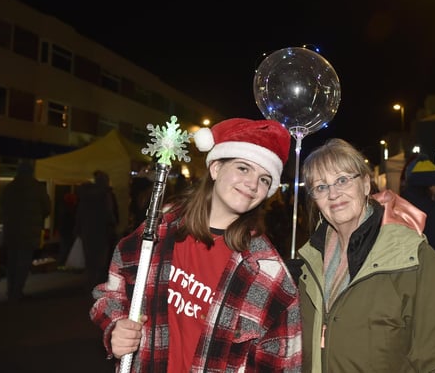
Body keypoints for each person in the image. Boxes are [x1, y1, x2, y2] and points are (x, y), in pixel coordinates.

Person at [90, 118, 302, 372]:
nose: (253, 184)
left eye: (265, 179)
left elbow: (283, 365)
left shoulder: (270, 276)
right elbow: (110, 293)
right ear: (215, 168)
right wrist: (117, 326)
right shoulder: (163, 225)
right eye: (243, 168)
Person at [294, 138, 435, 372]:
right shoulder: (309, 264)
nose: (333, 193)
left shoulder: (412, 257)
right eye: (321, 187)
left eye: (342, 180)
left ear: (364, 184)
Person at [401, 155, 435, 288]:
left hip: (405, 268)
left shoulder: (401, 203)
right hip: (428, 268)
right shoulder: (430, 208)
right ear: (429, 185)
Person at [0, 160, 51, 302]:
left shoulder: (9, 188)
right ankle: (17, 292)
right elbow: (47, 208)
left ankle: (10, 291)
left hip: (12, 231)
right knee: (23, 262)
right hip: (29, 232)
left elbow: (2, 206)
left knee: (12, 262)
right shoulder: (37, 187)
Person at [74, 170, 119, 290]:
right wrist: (114, 224)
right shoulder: (105, 194)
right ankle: (96, 281)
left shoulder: (85, 194)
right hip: (101, 229)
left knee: (89, 257)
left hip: (87, 229)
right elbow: (109, 213)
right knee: (100, 257)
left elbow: (80, 212)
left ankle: (90, 280)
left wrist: (78, 228)